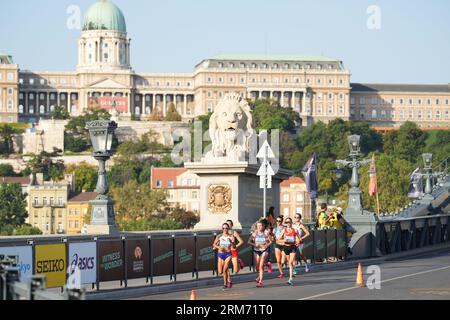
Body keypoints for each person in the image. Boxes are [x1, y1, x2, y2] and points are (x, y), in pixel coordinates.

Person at [277, 218, 303, 286]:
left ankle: (290, 278)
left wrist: (298, 242)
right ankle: (291, 277)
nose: (288, 223)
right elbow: (278, 240)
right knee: (289, 264)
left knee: (291, 262)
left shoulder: (295, 230)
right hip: (286, 247)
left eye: (289, 222)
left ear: (291, 223)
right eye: (287, 222)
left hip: (292, 247)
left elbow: (300, 239)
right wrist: (284, 240)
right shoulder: (284, 230)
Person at [248, 221, 272, 288]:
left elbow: (271, 242)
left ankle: (260, 281)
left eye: (260, 226)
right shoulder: (254, 233)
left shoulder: (266, 233)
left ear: (263, 226)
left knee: (261, 266)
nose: (259, 227)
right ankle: (266, 264)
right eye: (258, 226)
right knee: (257, 267)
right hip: (256, 250)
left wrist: (266, 245)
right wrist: (255, 244)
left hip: (264, 250)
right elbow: (249, 241)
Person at [212, 223, 235, 290]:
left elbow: (234, 246)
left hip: (228, 254)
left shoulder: (231, 236)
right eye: (223, 228)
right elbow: (214, 244)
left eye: (226, 228)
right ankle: (227, 281)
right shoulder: (219, 236)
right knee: (220, 272)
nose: (225, 229)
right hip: (220, 254)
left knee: (225, 269)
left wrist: (231, 242)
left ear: (228, 229)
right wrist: (219, 247)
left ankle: (225, 284)